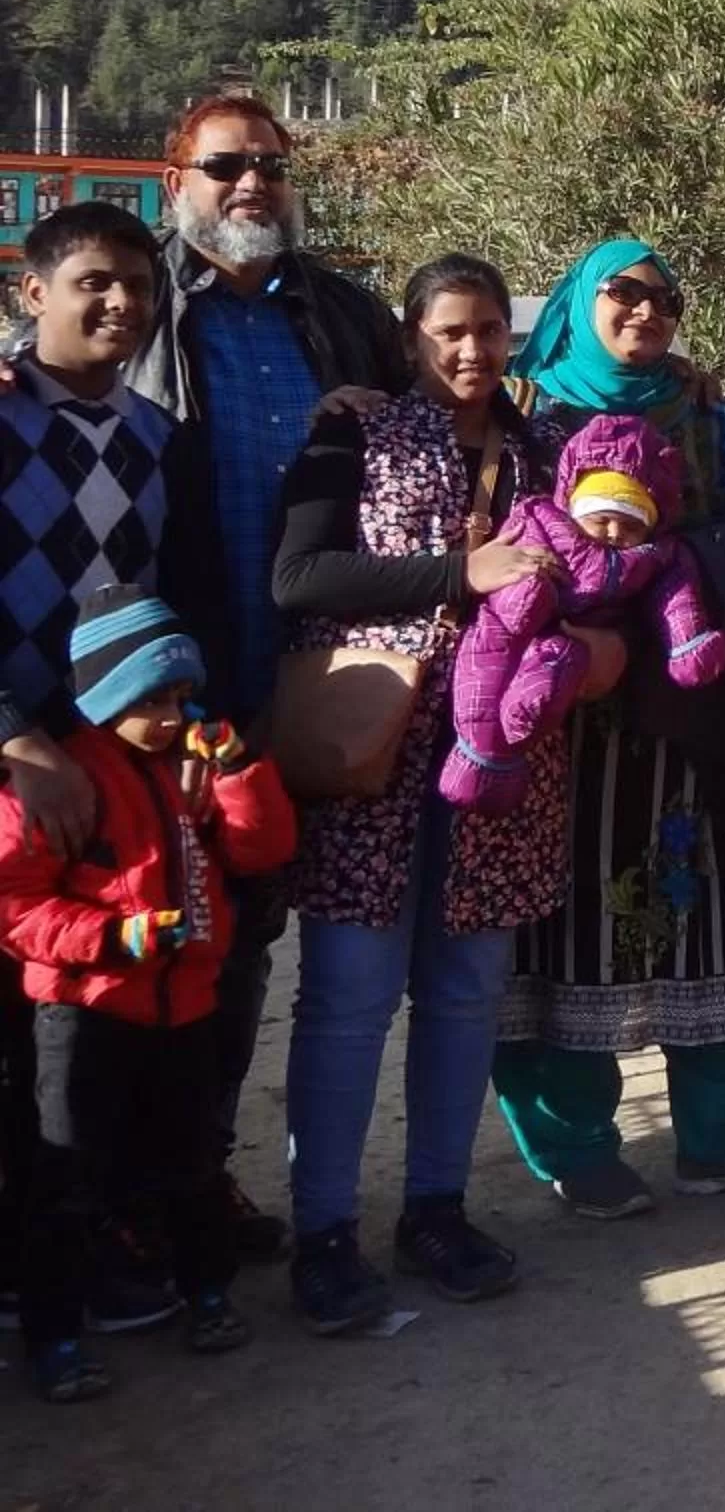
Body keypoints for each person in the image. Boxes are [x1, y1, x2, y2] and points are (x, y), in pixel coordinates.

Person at [489, 239, 725, 1219]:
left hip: (690, 720)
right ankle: (573, 1145)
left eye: (662, 299)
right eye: (622, 293)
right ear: (578, 303)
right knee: (561, 938)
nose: (645, 312)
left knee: (719, 918)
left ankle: (720, 1138)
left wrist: (675, 572)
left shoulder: (707, 418)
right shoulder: (527, 421)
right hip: (566, 735)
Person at [271, 256, 569, 1332]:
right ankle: (324, 1234)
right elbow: (299, 579)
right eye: (449, 330)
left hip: (498, 773)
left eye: (490, 329)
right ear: (410, 339)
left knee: (463, 998)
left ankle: (435, 1209)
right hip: (375, 760)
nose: (472, 349)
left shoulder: (544, 452)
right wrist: (460, 577)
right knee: (347, 1003)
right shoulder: (352, 432)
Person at [141, 97, 409, 1256]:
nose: (253, 183)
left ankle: (196, 1183)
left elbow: (442, 415)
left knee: (246, 939)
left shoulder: (340, 315)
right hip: (168, 685)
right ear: (175, 182)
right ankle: (114, 1205)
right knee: (145, 942)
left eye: (270, 165)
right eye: (226, 165)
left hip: (301, 685)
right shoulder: (135, 302)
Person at [0, 584, 296, 1400]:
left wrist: (238, 774)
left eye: (178, 694)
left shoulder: (192, 767)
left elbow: (263, 848)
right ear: (104, 697)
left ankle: (207, 1295)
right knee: (62, 1179)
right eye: (148, 698)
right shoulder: (65, 788)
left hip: (185, 1008)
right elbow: (17, 904)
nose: (170, 714)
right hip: (86, 1013)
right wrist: (111, 939)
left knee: (193, 1164)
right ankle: (54, 1336)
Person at [0, 204, 191, 1335]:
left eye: (136, 284)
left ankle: (90, 1248)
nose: (120, 302)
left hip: (117, 780)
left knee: (98, 1039)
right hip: (21, 770)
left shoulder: (160, 436)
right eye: (93, 283)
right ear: (35, 293)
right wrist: (19, 742)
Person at [443, 414, 725, 807]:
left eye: (630, 525)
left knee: (558, 662)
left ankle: (514, 735)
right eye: (602, 520)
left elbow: (677, 598)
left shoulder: (655, 556)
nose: (614, 533)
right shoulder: (543, 523)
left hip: (574, 656)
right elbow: (513, 573)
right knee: (490, 659)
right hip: (516, 622)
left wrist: (688, 644)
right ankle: (478, 756)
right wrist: (527, 593)